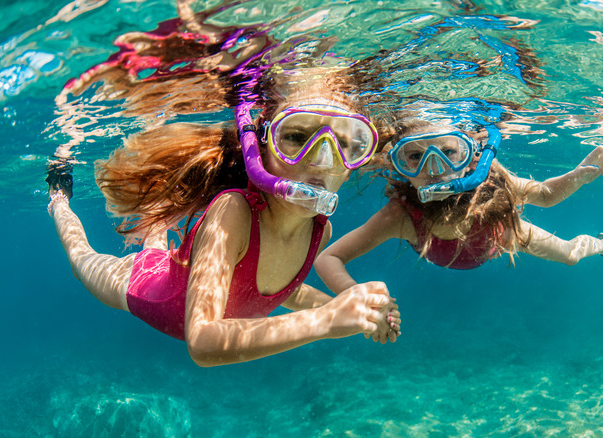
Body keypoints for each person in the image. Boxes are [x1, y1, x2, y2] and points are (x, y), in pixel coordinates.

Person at [47, 68, 403, 367]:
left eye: (347, 144)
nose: (322, 159)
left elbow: (281, 291)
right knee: (82, 260)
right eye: (296, 136)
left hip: (176, 270)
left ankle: (157, 223)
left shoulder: (319, 231)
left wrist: (358, 313)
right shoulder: (233, 211)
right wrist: (329, 319)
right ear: (261, 146)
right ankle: (59, 199)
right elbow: (202, 341)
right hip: (143, 288)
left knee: (157, 240)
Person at [315, 116, 603, 296]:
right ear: (399, 164)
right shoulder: (401, 215)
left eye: (448, 152)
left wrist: (581, 175)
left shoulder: (492, 181)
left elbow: (545, 196)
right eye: (415, 157)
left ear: (470, 155)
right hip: (465, 248)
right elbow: (329, 257)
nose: (433, 170)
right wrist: (353, 295)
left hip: (503, 234)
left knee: (570, 255)